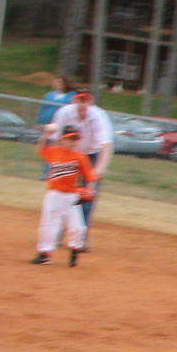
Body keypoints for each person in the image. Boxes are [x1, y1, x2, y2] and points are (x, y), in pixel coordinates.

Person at [44, 91, 113, 242]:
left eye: (86, 100)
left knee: (87, 196)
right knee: (62, 194)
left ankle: (81, 239)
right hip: (69, 154)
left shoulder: (98, 116)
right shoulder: (64, 113)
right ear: (74, 100)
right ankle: (57, 234)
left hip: (90, 155)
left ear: (91, 102)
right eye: (80, 100)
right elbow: (56, 139)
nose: (83, 104)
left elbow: (106, 146)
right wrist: (58, 160)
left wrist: (100, 168)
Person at [31, 127, 97, 267]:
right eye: (70, 139)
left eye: (75, 140)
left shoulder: (80, 157)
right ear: (62, 140)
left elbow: (90, 177)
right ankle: (44, 254)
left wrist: (89, 191)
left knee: (77, 226)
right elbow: (40, 149)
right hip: (54, 194)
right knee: (48, 224)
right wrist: (45, 135)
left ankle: (74, 251)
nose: (73, 142)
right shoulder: (54, 151)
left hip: (71, 196)